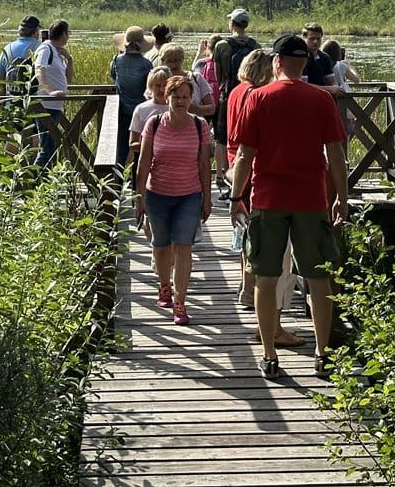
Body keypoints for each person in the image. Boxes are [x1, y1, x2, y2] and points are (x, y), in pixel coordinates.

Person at [229, 34, 348, 379]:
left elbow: (245, 155)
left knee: (266, 277)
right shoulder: (321, 99)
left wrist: (237, 196)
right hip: (311, 200)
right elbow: (336, 154)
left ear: (277, 62)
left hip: (268, 199)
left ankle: (269, 355)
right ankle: (322, 354)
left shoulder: (258, 97)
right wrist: (341, 196)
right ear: (304, 64)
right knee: (318, 278)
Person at [226, 48, 304, 348]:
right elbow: (253, 144)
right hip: (256, 177)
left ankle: (250, 297)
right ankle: (273, 327)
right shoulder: (256, 95)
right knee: (275, 260)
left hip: (237, 169)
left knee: (252, 243)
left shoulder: (236, 91)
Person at [134, 74, 213, 326]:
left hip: (189, 194)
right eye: (175, 97)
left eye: (185, 97)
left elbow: (204, 165)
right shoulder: (154, 123)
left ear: (191, 99)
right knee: (160, 244)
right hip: (157, 193)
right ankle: (164, 286)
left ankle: (180, 302)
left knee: (183, 247)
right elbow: (143, 162)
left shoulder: (200, 125)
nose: (180, 101)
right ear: (166, 97)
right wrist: (139, 198)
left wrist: (207, 198)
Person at [213, 8, 259, 186]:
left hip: (228, 95)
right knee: (247, 136)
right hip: (249, 95)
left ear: (232, 23)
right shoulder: (255, 46)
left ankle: (222, 175)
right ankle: (244, 174)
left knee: (221, 137)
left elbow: (218, 76)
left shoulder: (221, 45)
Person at [110, 26, 153, 166]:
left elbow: (113, 76)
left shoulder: (117, 60)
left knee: (122, 144)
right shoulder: (147, 64)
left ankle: (119, 178)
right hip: (142, 111)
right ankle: (137, 179)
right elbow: (149, 87)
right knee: (141, 145)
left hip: (121, 110)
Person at [33, 19, 73, 168]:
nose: (68, 36)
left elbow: (67, 80)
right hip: (45, 106)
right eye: (68, 33)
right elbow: (39, 69)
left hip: (55, 106)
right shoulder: (46, 49)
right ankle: (26, 185)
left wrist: (69, 59)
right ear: (63, 34)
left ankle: (39, 184)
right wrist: (50, 91)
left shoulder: (56, 52)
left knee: (50, 147)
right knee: (46, 149)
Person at [127, 66, 171, 173]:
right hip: (146, 163)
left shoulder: (177, 108)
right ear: (150, 86)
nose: (161, 90)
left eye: (165, 85)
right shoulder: (141, 109)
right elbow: (132, 143)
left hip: (172, 164)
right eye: (157, 86)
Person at [159, 42, 216, 118]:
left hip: (193, 125)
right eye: (169, 61)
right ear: (163, 61)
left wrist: (196, 109)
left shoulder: (196, 78)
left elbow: (212, 108)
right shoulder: (159, 80)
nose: (173, 64)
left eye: (176, 60)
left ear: (182, 60)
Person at [0, 15, 41, 94]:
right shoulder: (41, 47)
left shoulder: (8, 48)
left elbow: (0, 75)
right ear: (36, 31)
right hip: (35, 101)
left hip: (10, 99)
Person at [301, 22, 342, 95]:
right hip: (305, 97)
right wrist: (329, 89)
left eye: (318, 39)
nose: (315, 42)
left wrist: (336, 87)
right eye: (312, 39)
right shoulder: (300, 57)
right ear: (304, 38)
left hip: (322, 97)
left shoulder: (325, 57)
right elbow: (303, 85)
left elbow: (331, 81)